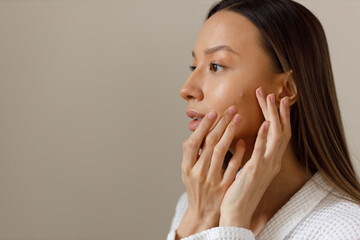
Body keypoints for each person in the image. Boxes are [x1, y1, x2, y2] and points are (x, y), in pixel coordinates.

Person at [166, 0, 360, 239]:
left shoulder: (346, 229)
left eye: (216, 66)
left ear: (286, 89)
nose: (187, 89)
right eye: (193, 66)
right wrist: (197, 220)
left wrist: (233, 224)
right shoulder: (195, 204)